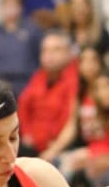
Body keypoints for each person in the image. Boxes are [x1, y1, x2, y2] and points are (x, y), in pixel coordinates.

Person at [17, 31, 79, 161]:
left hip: (59, 147)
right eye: (45, 50)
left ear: (69, 53)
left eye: (56, 50)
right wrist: (27, 133)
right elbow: (24, 107)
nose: (49, 55)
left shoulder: (76, 79)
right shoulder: (39, 76)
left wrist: (54, 148)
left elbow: (71, 122)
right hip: (32, 145)